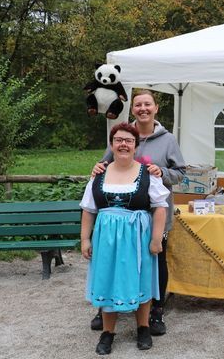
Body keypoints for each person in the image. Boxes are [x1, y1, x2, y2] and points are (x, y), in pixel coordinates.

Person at [90, 89, 186, 337]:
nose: (143, 108)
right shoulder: (124, 135)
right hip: (122, 214)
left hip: (155, 214)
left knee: (156, 261)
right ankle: (105, 306)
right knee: (113, 259)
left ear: (155, 108)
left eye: (147, 104)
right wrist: (98, 167)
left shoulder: (168, 140)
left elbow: (181, 173)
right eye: (138, 105)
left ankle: (155, 311)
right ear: (132, 109)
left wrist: (161, 172)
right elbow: (105, 164)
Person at [80, 122, 170, 354]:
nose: (123, 144)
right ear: (112, 145)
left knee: (140, 279)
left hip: (138, 237)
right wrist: (85, 240)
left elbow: (160, 207)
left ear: (135, 146)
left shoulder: (147, 174)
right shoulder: (99, 174)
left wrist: (156, 239)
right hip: (107, 240)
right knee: (108, 280)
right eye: (118, 140)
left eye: (129, 141)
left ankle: (143, 328)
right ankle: (108, 333)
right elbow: (89, 209)